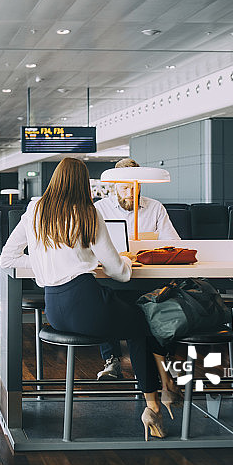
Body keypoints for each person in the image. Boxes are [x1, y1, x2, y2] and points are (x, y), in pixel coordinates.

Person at [0, 157, 180, 440]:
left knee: (135, 321)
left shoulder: (34, 210)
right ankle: (154, 403)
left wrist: (46, 263)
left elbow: (8, 257)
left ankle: (162, 390)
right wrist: (127, 260)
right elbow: (119, 273)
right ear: (83, 183)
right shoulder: (87, 213)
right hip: (87, 306)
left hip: (55, 310)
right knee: (141, 323)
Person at [94, 157, 181, 380]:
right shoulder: (99, 210)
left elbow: (173, 245)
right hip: (112, 276)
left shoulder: (155, 208)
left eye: (136, 187)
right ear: (114, 187)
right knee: (104, 296)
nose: (131, 193)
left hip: (148, 277)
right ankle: (112, 359)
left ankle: (157, 361)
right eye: (125, 188)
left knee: (155, 301)